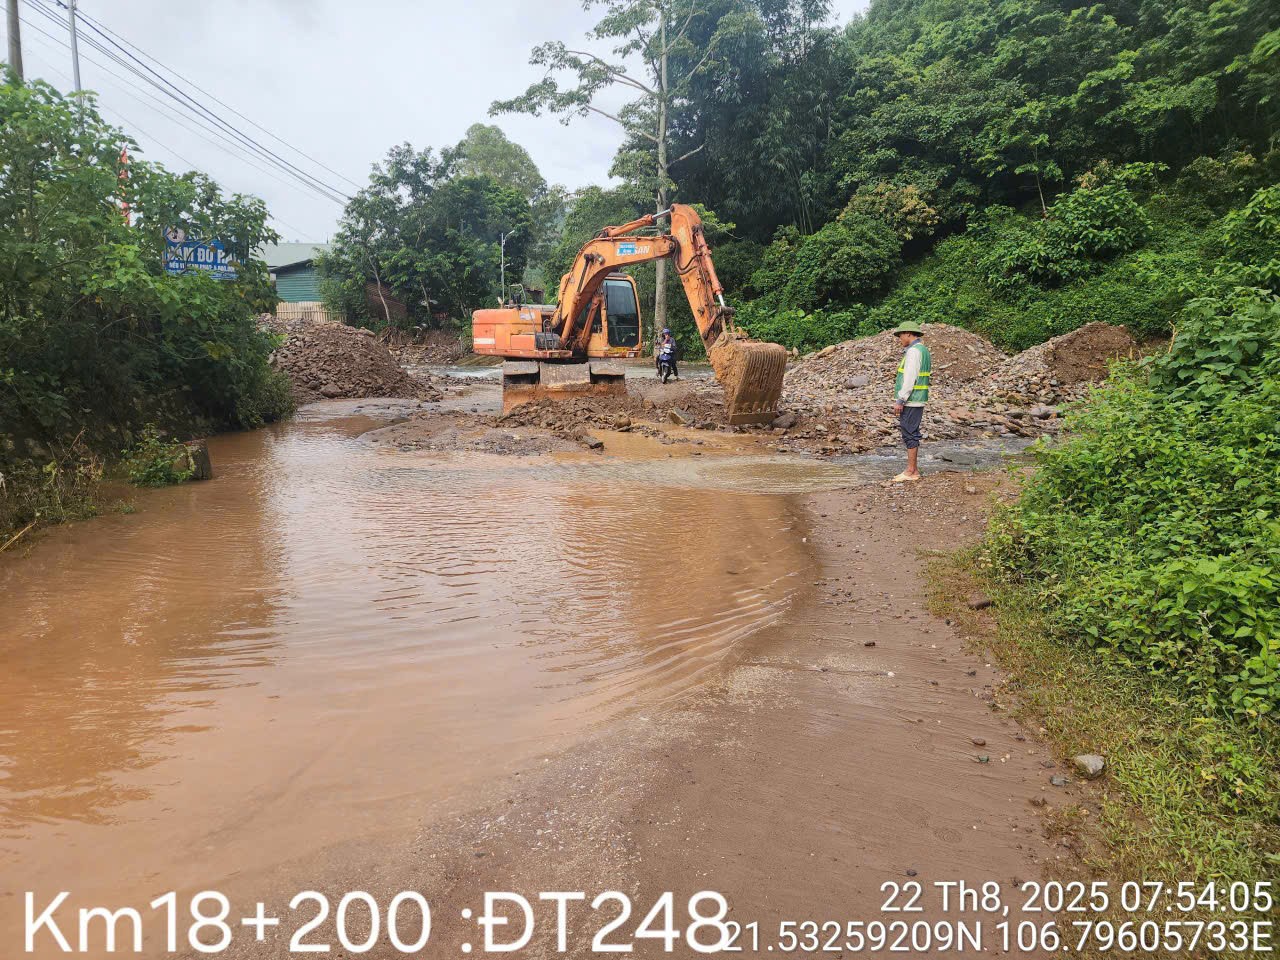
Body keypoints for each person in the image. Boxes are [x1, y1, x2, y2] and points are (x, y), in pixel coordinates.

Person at [891, 321, 931, 482]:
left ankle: (911, 471)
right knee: (911, 432)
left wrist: (901, 399)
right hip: (917, 399)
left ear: (908, 334)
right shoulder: (923, 350)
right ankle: (913, 470)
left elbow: (910, 378)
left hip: (911, 400)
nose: (899, 339)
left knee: (909, 433)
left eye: (900, 335)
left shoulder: (914, 352)